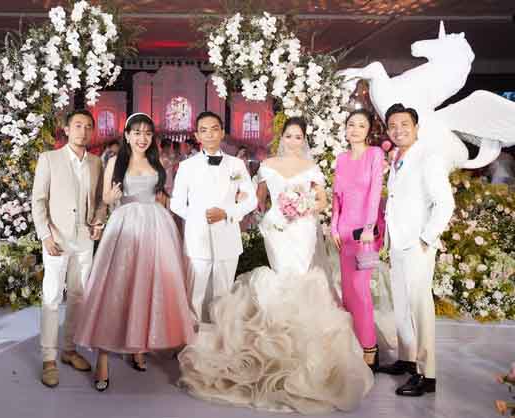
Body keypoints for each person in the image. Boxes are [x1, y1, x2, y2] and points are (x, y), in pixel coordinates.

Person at [178, 117, 373, 414]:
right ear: (283, 137)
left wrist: (304, 205)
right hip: (276, 227)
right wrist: (247, 205)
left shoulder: (311, 167)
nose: (294, 141)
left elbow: (322, 201)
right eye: (289, 135)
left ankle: (302, 349)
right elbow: (257, 200)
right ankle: (269, 347)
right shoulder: (268, 166)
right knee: (280, 278)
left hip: (303, 227)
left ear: (304, 139)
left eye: (298, 136)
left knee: (301, 279)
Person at [75, 113, 195, 391]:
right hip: (126, 225)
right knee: (116, 288)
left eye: (147, 134)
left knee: (148, 286)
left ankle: (138, 346)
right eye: (137, 133)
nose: (143, 138)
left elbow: (163, 196)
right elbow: (105, 198)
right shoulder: (115, 161)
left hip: (156, 226)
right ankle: (103, 358)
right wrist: (109, 199)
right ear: (127, 135)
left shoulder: (158, 161)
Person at [378, 103, 455, 396]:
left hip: (417, 244)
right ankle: (407, 358)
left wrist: (426, 238)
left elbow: (445, 203)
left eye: (404, 125)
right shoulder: (397, 157)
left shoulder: (429, 157)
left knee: (420, 307)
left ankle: (427, 374)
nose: (398, 130)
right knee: (401, 304)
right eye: (392, 126)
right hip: (398, 242)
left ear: (416, 128)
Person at [31, 109, 107, 388]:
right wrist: (45, 235)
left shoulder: (96, 162)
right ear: (66, 129)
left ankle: (70, 349)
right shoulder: (49, 159)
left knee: (78, 296)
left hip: (84, 239)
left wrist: (99, 221)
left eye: (88, 126)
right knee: (52, 297)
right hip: (57, 239)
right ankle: (48, 358)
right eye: (77, 125)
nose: (83, 131)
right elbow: (38, 200)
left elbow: (101, 200)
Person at [170, 111, 257, 323]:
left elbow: (251, 200)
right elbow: (176, 204)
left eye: (214, 129)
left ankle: (221, 334)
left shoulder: (236, 165)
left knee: (224, 294)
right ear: (197, 135)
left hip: (227, 237)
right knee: (195, 294)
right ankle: (194, 335)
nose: (209, 134)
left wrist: (227, 213)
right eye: (204, 130)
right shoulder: (187, 166)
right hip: (197, 240)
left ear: (222, 133)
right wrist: (201, 217)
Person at [331, 109, 385, 371]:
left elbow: (375, 192)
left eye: (361, 125)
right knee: (348, 292)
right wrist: (333, 227)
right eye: (351, 124)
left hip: (365, 234)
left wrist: (369, 227)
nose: (355, 129)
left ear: (368, 130)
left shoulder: (375, 154)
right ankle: (354, 343)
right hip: (344, 232)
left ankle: (370, 348)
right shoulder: (341, 158)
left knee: (361, 290)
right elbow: (336, 197)